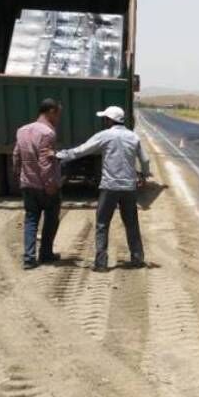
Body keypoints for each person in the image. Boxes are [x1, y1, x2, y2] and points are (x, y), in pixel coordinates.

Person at [56, 106, 150, 272]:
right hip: (129, 187)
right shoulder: (133, 137)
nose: (104, 121)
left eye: (105, 119)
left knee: (102, 224)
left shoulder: (105, 135)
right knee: (131, 224)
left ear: (109, 120)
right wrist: (143, 175)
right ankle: (137, 258)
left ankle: (101, 263)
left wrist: (60, 155)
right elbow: (145, 159)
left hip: (109, 187)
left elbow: (81, 150)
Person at [12, 98, 62, 270]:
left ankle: (29, 258)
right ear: (51, 111)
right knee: (51, 219)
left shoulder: (22, 130)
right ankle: (46, 253)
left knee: (31, 219)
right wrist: (50, 183)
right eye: (58, 113)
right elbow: (45, 161)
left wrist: (19, 175)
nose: (58, 118)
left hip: (27, 184)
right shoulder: (48, 133)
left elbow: (16, 155)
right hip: (43, 185)